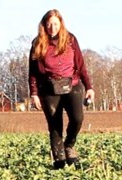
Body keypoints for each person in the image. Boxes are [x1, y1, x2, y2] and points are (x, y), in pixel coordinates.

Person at [29, 9, 95, 169]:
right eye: (49, 24)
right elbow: (33, 72)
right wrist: (34, 94)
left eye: (56, 24)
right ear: (44, 25)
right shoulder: (37, 43)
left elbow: (81, 65)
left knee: (77, 119)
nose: (52, 27)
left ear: (61, 24)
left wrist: (89, 87)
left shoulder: (70, 39)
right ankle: (59, 161)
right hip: (49, 88)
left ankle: (69, 146)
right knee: (55, 126)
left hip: (72, 84)